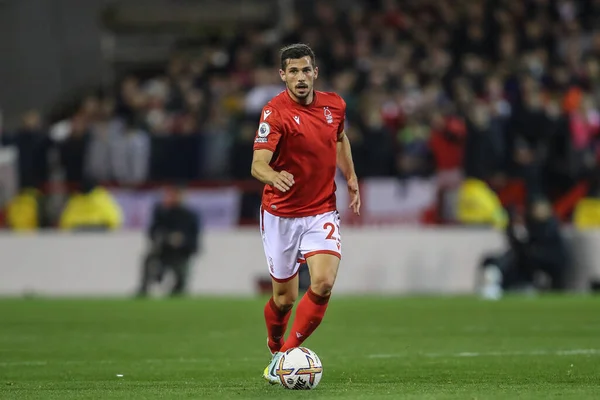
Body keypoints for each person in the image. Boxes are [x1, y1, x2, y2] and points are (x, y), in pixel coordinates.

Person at [250, 43, 360, 384]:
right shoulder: (275, 112)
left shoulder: (335, 105)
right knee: (284, 300)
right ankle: (275, 344)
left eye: (305, 70)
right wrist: (274, 176)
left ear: (315, 73)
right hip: (281, 215)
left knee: (324, 283)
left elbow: (340, 140)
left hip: (321, 211)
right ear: (283, 75)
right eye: (293, 71)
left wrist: (351, 177)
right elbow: (257, 165)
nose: (300, 77)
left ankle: (284, 358)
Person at [137, 184, 200, 297]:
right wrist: (167, 238)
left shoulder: (190, 216)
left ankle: (177, 290)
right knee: (149, 260)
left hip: (181, 254)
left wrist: (182, 242)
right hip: (163, 251)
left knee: (181, 278)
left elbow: (194, 240)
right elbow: (153, 232)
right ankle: (144, 288)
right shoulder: (161, 213)